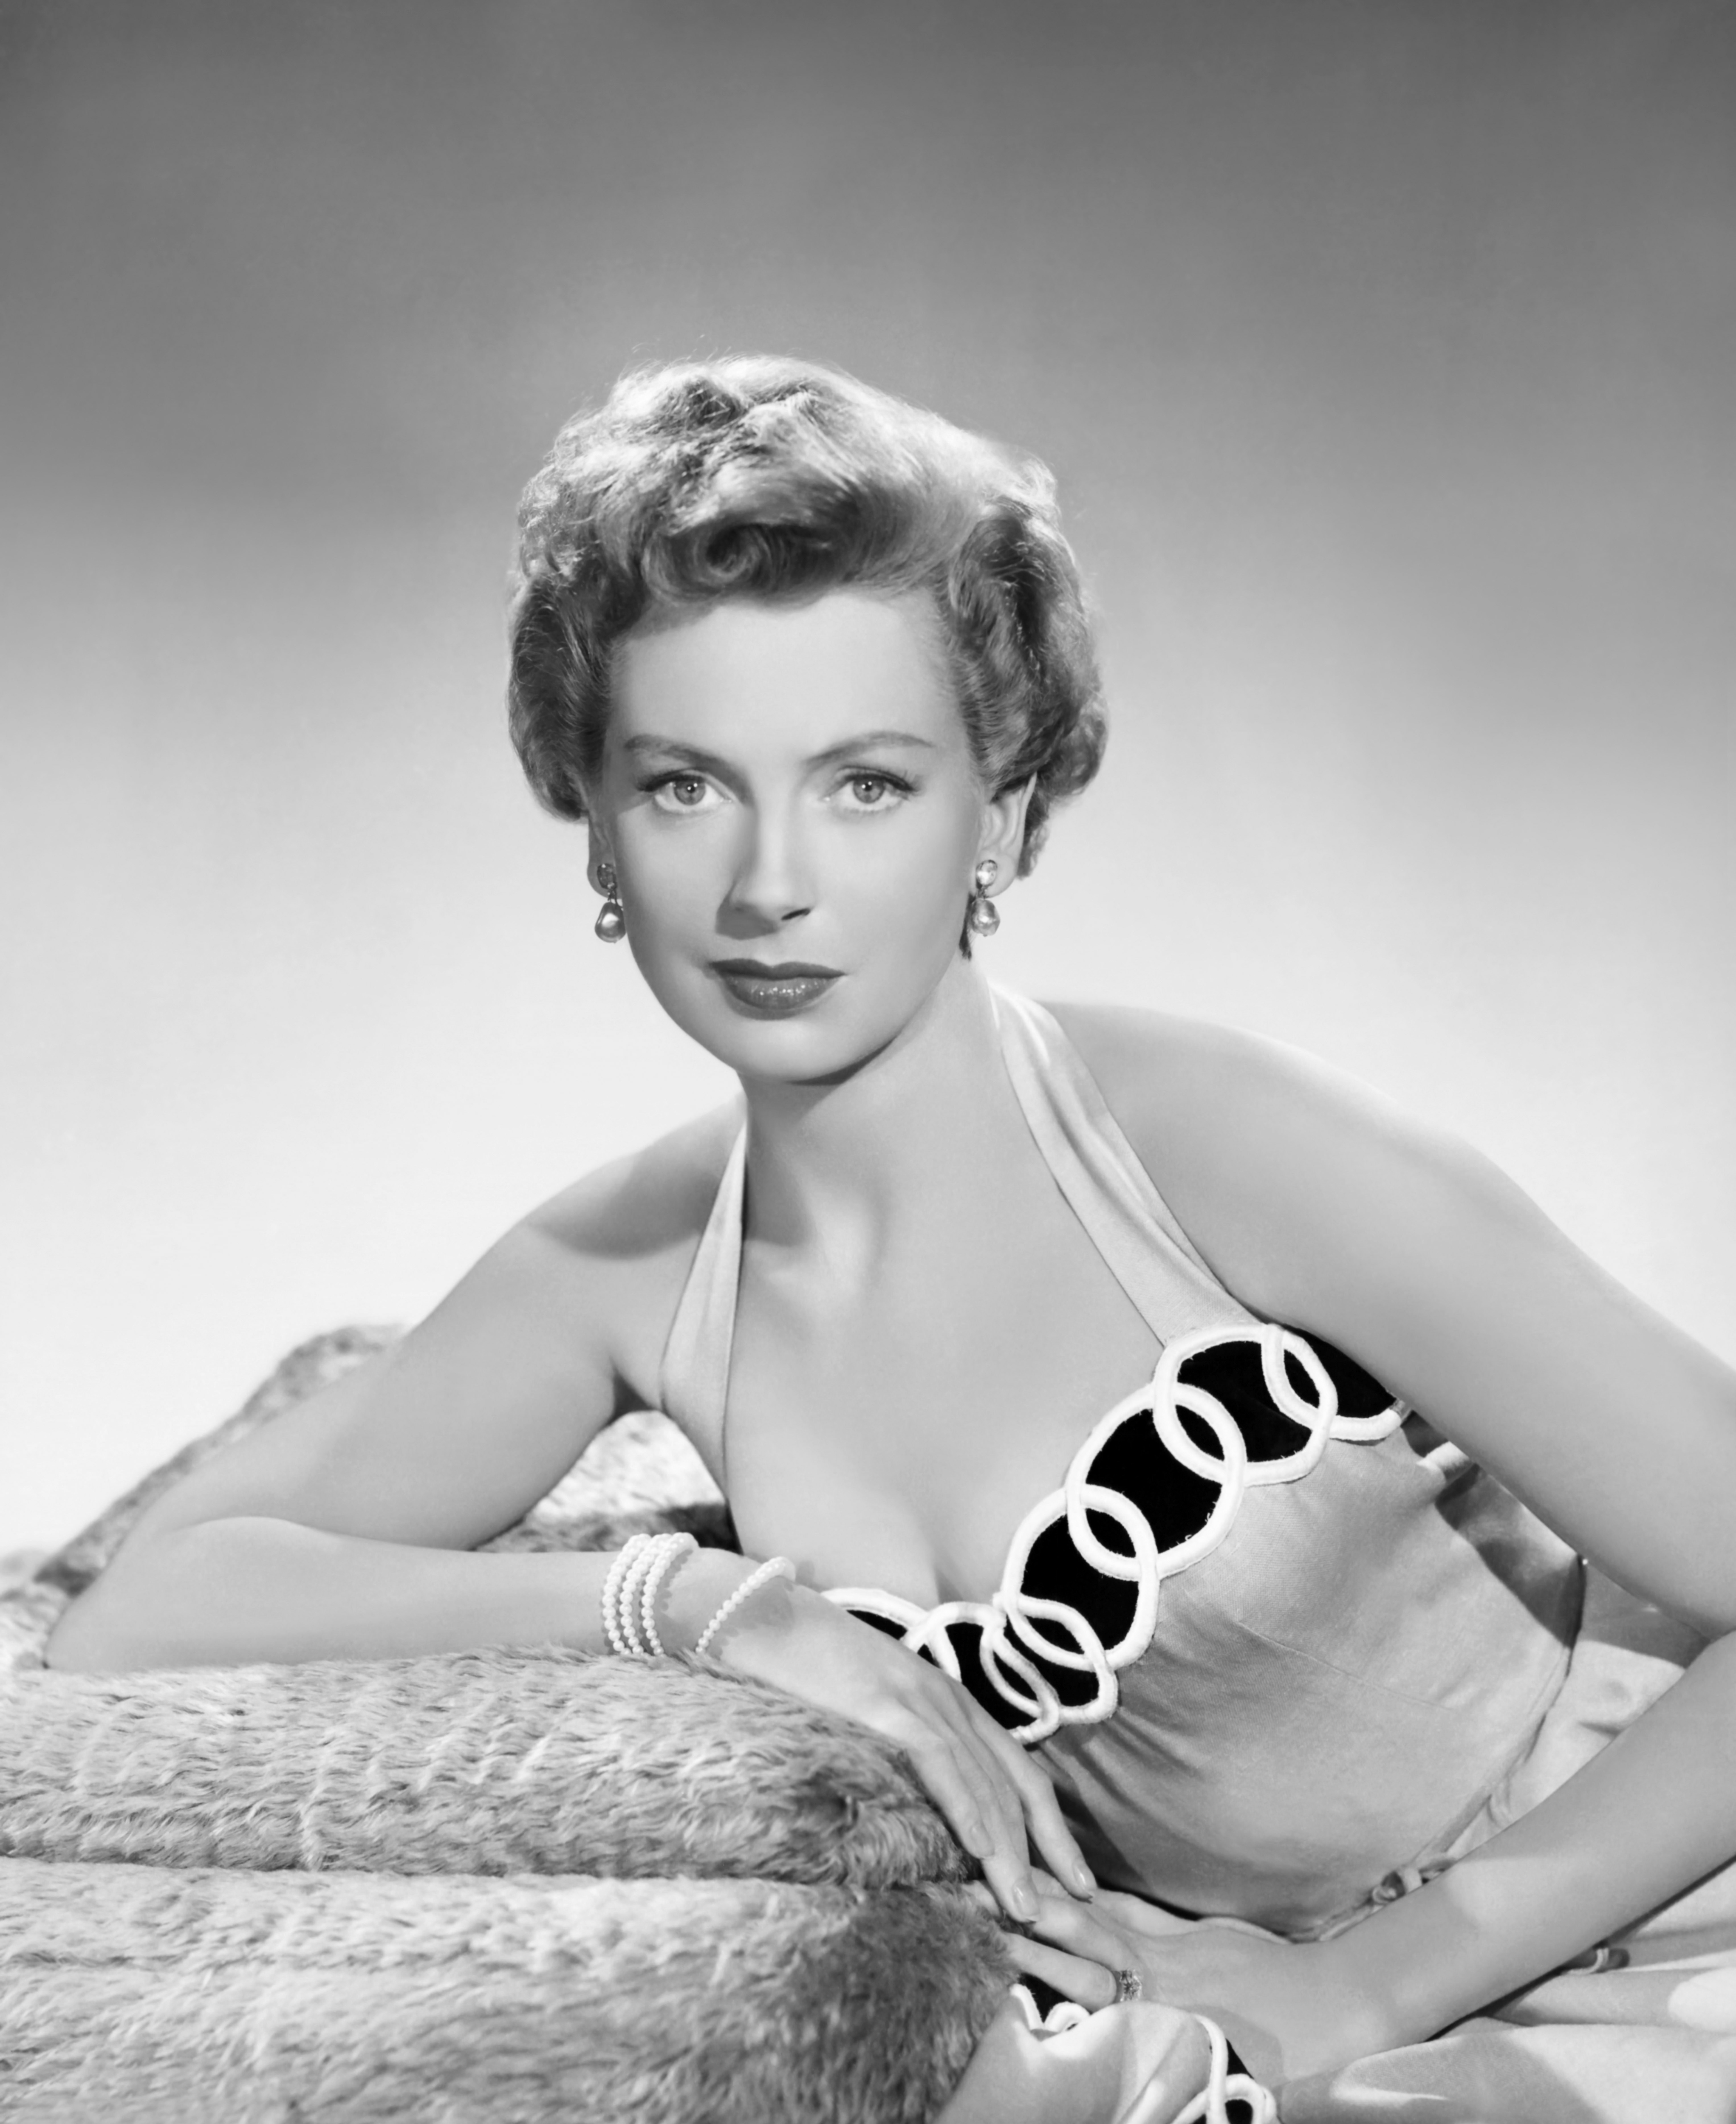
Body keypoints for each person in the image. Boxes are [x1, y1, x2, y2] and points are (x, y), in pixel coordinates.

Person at [44, 357, 1736, 2122]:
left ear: (997, 809)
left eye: (864, 784)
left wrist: (1369, 1983)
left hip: (1659, 1932)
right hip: (1231, 2029)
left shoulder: (1216, 1144)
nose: (768, 883)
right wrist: (690, 1605)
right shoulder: (623, 1269)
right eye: (685, 784)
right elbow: (148, 1610)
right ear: (594, 818)